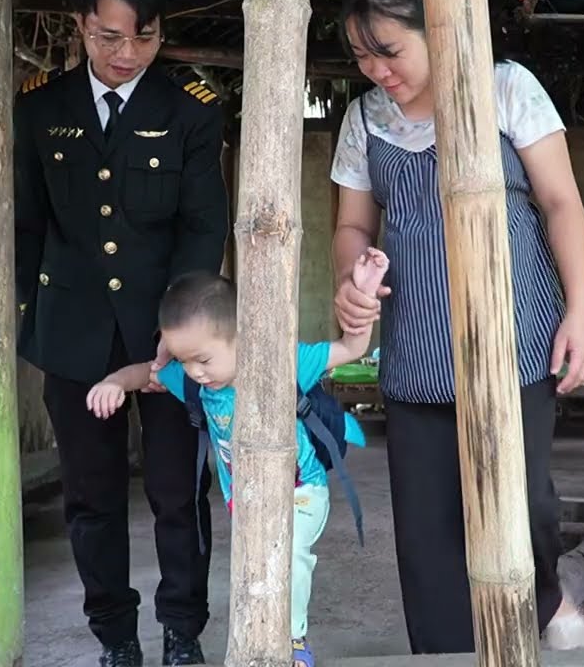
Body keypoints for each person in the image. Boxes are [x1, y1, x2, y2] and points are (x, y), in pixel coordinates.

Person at [328, 0, 584, 655]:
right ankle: (445, 654)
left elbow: (562, 203)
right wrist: (353, 278)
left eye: (389, 51)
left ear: (437, 28)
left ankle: (544, 603)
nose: (377, 71)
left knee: (526, 504)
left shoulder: (507, 89)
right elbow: (352, 227)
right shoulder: (364, 120)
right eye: (362, 57)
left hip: (517, 336)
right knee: (426, 530)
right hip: (417, 350)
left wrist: (582, 313)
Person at [12, 0, 229, 664]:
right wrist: (27, 323)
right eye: (110, 37)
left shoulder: (189, 114)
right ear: (80, 26)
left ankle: (181, 632)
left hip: (170, 341)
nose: (127, 53)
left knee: (177, 494)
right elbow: (27, 227)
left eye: (145, 37)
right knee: (91, 501)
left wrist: (183, 333)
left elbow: (202, 228)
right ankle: (115, 639)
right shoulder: (42, 110)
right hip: (73, 338)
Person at [84, 248, 390, 667]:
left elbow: (350, 348)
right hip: (245, 504)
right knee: (255, 576)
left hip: (302, 491)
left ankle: (295, 640)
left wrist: (363, 293)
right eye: (184, 360)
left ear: (240, 336)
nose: (194, 371)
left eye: (203, 359)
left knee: (292, 552)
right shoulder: (196, 382)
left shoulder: (285, 361)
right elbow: (145, 373)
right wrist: (114, 383)